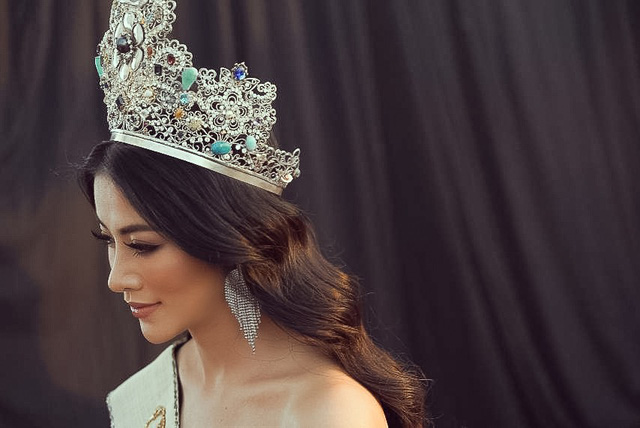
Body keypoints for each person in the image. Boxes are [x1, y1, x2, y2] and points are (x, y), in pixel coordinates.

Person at [80, 0, 427, 426]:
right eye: (109, 240)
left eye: (142, 245)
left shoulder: (327, 412)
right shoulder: (142, 397)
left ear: (223, 236)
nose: (117, 278)